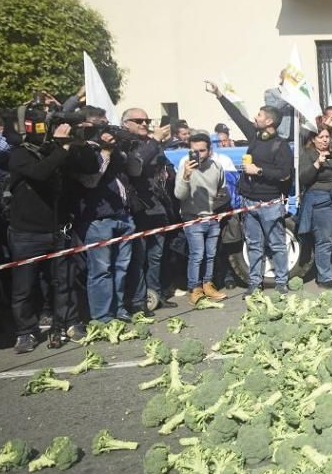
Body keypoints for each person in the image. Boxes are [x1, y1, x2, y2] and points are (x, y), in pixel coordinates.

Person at [7, 118, 98, 352]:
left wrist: (81, 143)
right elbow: (40, 173)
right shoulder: (20, 154)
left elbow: (91, 167)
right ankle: (25, 332)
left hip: (59, 229)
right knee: (24, 287)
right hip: (26, 232)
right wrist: (63, 147)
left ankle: (70, 322)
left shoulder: (59, 151)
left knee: (65, 279)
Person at [207, 81, 293, 294]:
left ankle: (282, 281)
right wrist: (219, 95)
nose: (255, 117)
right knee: (253, 244)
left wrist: (259, 171)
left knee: (277, 244)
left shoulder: (281, 146)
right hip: (249, 202)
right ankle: (255, 283)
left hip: (269, 203)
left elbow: (285, 174)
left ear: (270, 121)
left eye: (259, 115)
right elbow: (237, 117)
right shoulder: (254, 135)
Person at [73, 109, 138, 323]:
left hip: (123, 215)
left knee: (121, 267)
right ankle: (102, 317)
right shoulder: (81, 151)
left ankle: (119, 309)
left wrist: (122, 147)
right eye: (100, 124)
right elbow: (90, 181)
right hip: (98, 219)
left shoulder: (113, 149)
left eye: (106, 124)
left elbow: (134, 170)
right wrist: (105, 152)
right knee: (101, 270)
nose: (105, 129)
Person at [123, 108, 175, 315]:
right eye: (138, 120)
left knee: (156, 256)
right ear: (126, 123)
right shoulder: (125, 142)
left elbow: (165, 166)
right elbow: (135, 166)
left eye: (147, 120)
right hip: (139, 209)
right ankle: (138, 300)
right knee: (139, 258)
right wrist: (154, 141)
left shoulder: (152, 144)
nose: (144, 123)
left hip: (158, 207)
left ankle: (156, 295)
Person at [297, 128, 332, 288]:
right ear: (313, 139)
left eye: (327, 137)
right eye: (321, 137)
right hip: (320, 201)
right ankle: (324, 277)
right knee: (324, 241)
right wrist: (317, 164)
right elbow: (303, 178)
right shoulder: (308, 154)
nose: (325, 140)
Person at [175, 132, 227, 305]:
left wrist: (217, 209)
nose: (198, 154)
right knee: (197, 255)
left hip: (212, 218)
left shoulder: (216, 166)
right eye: (194, 151)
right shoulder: (185, 165)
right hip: (193, 218)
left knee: (211, 254)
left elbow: (223, 189)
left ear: (210, 150)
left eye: (202, 151)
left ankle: (208, 284)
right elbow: (179, 195)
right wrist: (186, 176)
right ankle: (194, 288)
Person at [264, 70, 295, 143]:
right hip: (281, 137)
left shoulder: (297, 95)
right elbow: (272, 110)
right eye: (289, 78)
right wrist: (288, 96)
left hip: (297, 137)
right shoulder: (271, 92)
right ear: (282, 78)